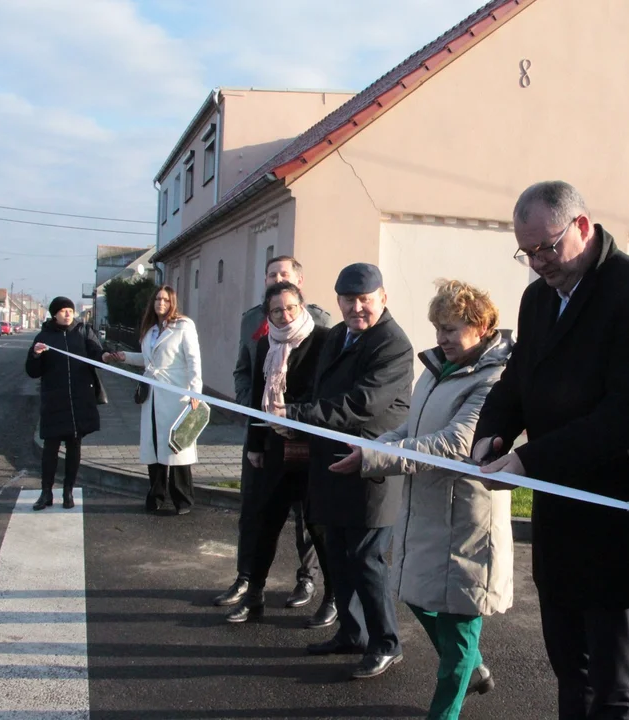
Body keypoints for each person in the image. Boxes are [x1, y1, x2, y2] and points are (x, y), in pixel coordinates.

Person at [471, 181, 629, 720]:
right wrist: (492, 433)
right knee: (570, 673)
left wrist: (528, 460)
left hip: (617, 517)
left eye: (547, 247)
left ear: (583, 227)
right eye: (527, 252)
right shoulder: (538, 296)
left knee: (614, 690)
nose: (538, 261)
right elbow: (516, 382)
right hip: (560, 517)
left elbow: (628, 417)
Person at [330, 279, 513, 719]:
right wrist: (369, 449)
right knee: (417, 595)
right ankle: (473, 671)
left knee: (460, 624)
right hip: (427, 511)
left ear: (483, 325)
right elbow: (411, 431)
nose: (442, 339)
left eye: (451, 329)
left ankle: (445, 710)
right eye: (438, 329)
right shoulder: (434, 370)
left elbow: (454, 444)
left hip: (468, 521)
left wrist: (377, 457)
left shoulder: (496, 377)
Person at [274, 262, 413, 680]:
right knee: (337, 552)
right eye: (349, 300)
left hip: (371, 466)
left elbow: (362, 404)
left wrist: (297, 415)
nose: (357, 308)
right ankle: (352, 633)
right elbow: (321, 390)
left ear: (383, 298)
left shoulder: (393, 344)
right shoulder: (336, 335)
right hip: (331, 463)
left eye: (365, 300)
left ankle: (386, 642)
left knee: (367, 558)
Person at [219, 256, 334, 614]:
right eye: (276, 311)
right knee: (264, 520)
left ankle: (328, 595)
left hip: (312, 449)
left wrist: (295, 415)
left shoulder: (325, 338)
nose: (284, 315)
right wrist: (254, 442)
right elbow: (255, 390)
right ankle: (253, 594)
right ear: (268, 313)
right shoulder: (265, 341)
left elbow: (326, 394)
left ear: (301, 298)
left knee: (317, 526)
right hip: (271, 447)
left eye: (290, 308)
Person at [25, 296, 121, 511]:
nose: (68, 314)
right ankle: (46, 492)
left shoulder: (84, 331)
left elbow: (96, 352)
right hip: (54, 400)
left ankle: (68, 491)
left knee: (74, 446)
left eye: (70, 310)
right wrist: (36, 355)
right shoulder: (44, 336)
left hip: (79, 399)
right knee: (50, 448)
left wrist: (105, 356)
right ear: (54, 314)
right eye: (63, 311)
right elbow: (32, 371)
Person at [121, 285, 203, 515]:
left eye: (166, 300)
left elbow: (194, 360)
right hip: (152, 395)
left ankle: (183, 499)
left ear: (172, 302)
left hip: (176, 394)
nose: (161, 303)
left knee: (176, 445)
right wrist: (123, 356)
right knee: (153, 447)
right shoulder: (149, 330)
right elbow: (148, 361)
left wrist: (196, 391)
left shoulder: (183, 326)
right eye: (158, 299)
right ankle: (156, 495)